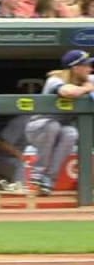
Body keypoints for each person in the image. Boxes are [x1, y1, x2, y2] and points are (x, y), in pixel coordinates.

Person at [26, 50, 94, 195]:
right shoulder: (55, 80)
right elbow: (67, 92)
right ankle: (37, 175)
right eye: (87, 65)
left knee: (71, 133)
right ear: (76, 68)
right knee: (53, 126)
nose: (90, 69)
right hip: (38, 128)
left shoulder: (87, 79)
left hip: (59, 130)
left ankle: (48, 180)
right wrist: (86, 88)